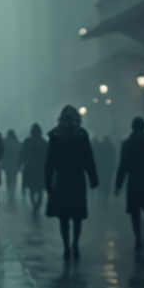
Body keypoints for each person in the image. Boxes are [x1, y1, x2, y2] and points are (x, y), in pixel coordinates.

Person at [45, 105, 98, 258]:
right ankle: (74, 243)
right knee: (77, 216)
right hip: (77, 179)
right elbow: (88, 159)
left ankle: (67, 245)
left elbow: (50, 162)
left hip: (62, 179)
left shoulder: (55, 135)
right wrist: (93, 178)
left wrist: (48, 182)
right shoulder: (81, 135)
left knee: (64, 217)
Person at [115, 115, 144, 255]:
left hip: (134, 182)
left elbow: (123, 166)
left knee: (135, 214)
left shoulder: (127, 144)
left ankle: (138, 238)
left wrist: (118, 184)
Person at [20, 123, 47, 216]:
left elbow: (22, 154)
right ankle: (37, 205)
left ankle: (34, 205)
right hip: (40, 169)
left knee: (31, 188)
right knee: (40, 189)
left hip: (30, 168)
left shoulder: (27, 141)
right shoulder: (43, 142)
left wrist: (22, 162)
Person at [2, 129, 21, 206]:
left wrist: (2, 163)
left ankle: (9, 190)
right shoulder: (17, 142)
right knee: (14, 177)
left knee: (8, 177)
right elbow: (20, 153)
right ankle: (13, 190)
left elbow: (3, 154)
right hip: (15, 163)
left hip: (7, 163)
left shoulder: (5, 142)